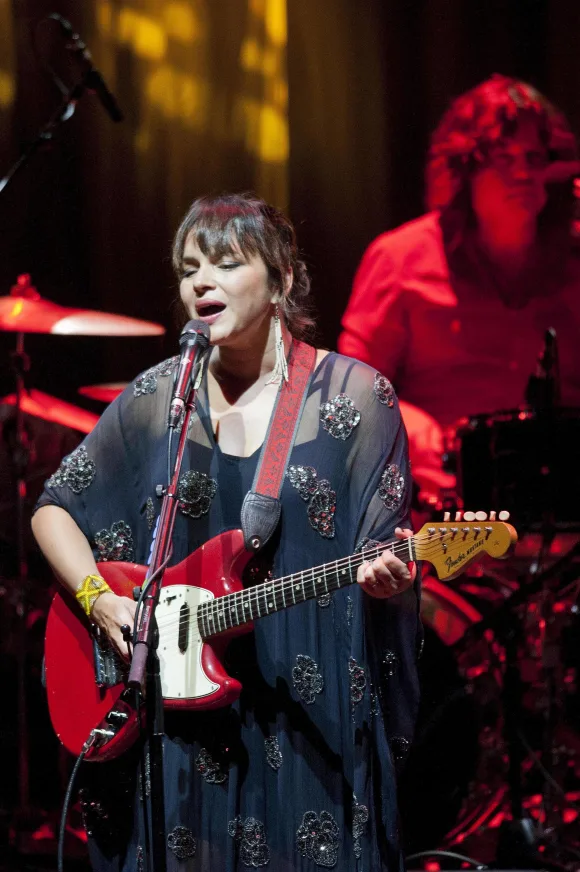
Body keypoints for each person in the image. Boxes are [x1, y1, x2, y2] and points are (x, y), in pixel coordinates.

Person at [32, 193, 420, 871]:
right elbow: (55, 506)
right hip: (178, 733)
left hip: (307, 725)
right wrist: (98, 596)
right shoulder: (160, 399)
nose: (200, 282)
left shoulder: (356, 398)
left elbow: (382, 562)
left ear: (283, 279)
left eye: (226, 263)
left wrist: (387, 580)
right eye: (188, 269)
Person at [338, 74, 580, 454]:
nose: (523, 174)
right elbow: (348, 390)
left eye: (534, 158)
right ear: (464, 170)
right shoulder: (400, 258)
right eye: (502, 158)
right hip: (440, 493)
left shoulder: (573, 259)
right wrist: (407, 423)